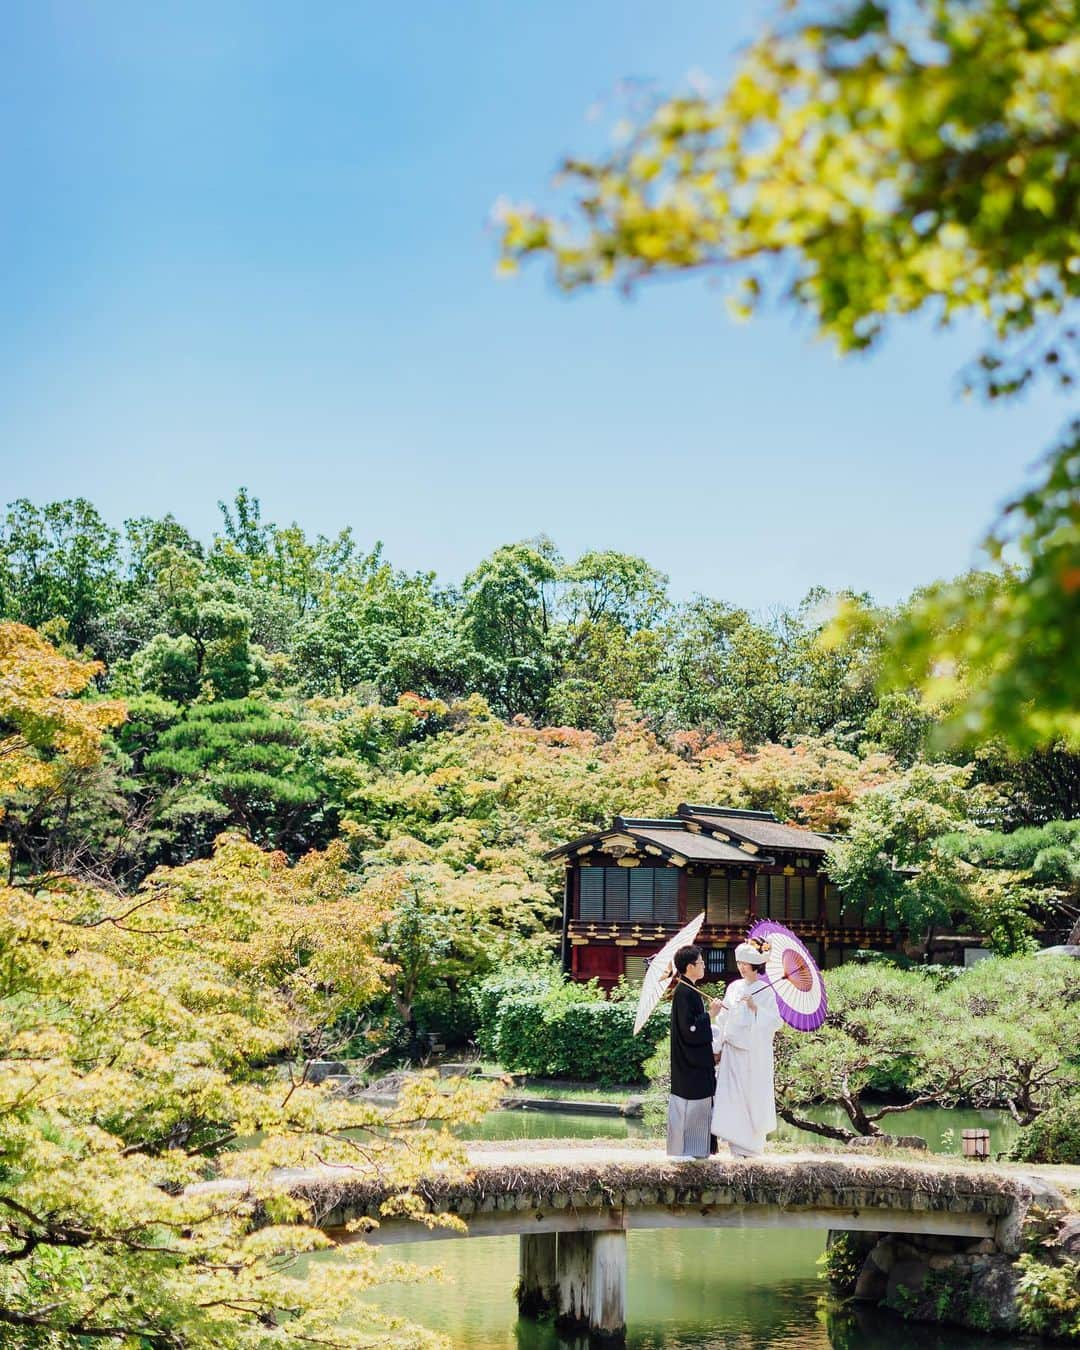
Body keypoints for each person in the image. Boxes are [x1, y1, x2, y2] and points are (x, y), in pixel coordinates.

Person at [710, 940, 783, 1157]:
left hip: (753, 1055)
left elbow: (775, 1022)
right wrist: (718, 1044)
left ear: (755, 966)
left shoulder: (766, 990)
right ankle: (735, 1146)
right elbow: (724, 1019)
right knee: (732, 1098)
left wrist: (755, 1007)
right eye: (740, 963)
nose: (742, 967)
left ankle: (752, 1146)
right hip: (732, 1051)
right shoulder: (734, 987)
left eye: (746, 964)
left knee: (753, 1097)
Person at [666, 944, 715, 1159]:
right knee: (690, 1106)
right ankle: (687, 1151)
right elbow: (690, 1030)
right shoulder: (685, 992)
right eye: (701, 962)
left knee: (690, 1107)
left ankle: (687, 1150)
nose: (704, 965)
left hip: (690, 1062)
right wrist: (710, 1015)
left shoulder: (688, 990)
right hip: (690, 1063)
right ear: (689, 967)